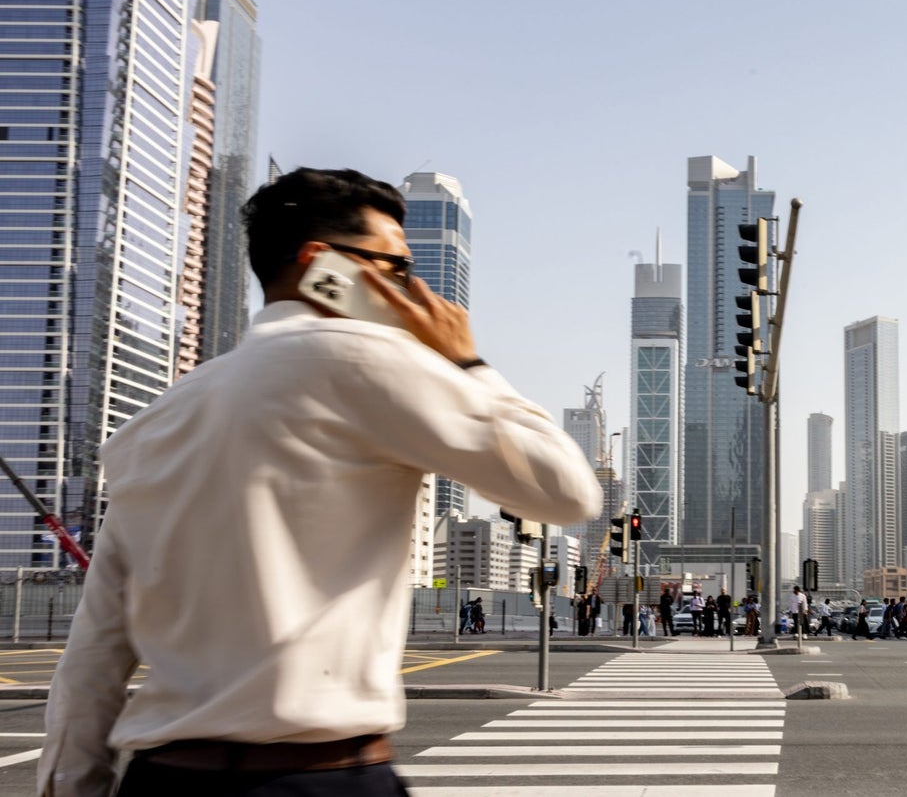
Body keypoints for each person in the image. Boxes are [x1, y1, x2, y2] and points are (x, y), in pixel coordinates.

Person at [38, 168, 603, 797]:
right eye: (394, 270)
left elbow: (95, 651)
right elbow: (565, 489)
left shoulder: (161, 418)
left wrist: (69, 786)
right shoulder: (370, 361)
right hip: (322, 778)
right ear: (320, 263)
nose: (410, 291)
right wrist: (468, 363)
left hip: (164, 780)